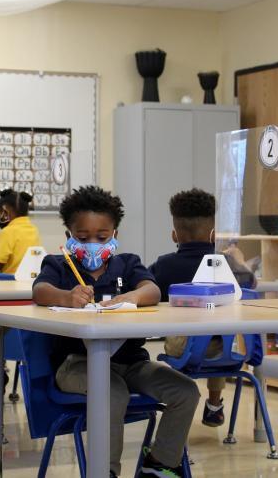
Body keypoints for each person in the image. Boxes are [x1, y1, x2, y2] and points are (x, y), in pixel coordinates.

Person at [33, 186, 199, 478]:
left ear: (115, 236)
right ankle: (105, 471)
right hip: (76, 364)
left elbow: (152, 289)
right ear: (68, 237)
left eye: (102, 237)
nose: (93, 244)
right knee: (111, 391)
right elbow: (40, 291)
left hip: (131, 363)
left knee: (185, 391)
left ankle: (159, 465)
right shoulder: (58, 265)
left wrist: (133, 297)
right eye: (83, 238)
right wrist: (65, 297)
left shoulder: (128, 263)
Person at [150, 188, 253, 428]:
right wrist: (238, 258)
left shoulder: (164, 265)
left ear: (174, 236)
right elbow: (250, 283)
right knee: (217, 335)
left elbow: (149, 290)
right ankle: (214, 404)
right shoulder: (226, 264)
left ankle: (184, 403)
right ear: (214, 234)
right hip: (225, 352)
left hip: (182, 348)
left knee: (193, 338)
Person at [0, 189, 41, 274]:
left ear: (5, 212)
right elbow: (13, 256)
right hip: (29, 280)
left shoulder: (8, 232)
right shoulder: (33, 230)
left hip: (10, 281)